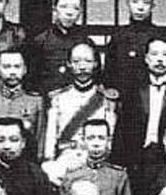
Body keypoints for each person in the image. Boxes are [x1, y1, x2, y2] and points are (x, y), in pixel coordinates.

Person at [41, 41, 119, 185]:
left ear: (96, 63)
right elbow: (51, 135)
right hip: (65, 160)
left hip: (96, 160)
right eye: (76, 61)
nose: (82, 66)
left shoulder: (106, 99)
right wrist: (49, 161)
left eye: (88, 61)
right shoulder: (59, 98)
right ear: (69, 64)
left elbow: (111, 136)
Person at [113, 35, 166, 169]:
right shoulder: (132, 88)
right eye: (154, 54)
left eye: (165, 55)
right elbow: (122, 126)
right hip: (136, 158)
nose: (160, 59)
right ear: (146, 59)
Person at [58, 119, 134, 195]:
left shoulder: (118, 176)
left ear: (109, 141)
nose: (96, 143)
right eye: (91, 138)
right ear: (83, 141)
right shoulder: (72, 176)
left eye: (101, 138)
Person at [27, 0, 92, 95]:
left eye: (75, 8)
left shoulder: (86, 42)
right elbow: (31, 78)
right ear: (54, 10)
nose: (69, 12)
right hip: (48, 99)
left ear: (80, 13)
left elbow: (95, 76)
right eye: (63, 7)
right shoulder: (40, 41)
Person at [103, 0, 163, 94]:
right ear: (128, 3)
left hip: (153, 95)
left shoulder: (161, 36)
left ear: (152, 6)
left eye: (146, 2)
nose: (140, 7)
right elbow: (109, 71)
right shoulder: (118, 36)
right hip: (122, 95)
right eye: (135, 2)